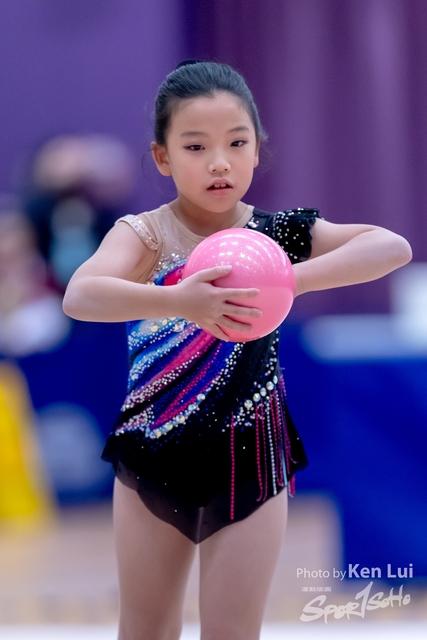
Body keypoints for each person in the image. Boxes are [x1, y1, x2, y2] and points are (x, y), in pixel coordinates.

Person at [63, 61, 412, 640]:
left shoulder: (277, 236)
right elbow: (80, 296)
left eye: (236, 143)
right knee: (145, 630)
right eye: (195, 146)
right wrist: (181, 301)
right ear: (163, 158)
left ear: (256, 151)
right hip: (154, 455)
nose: (219, 162)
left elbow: (391, 246)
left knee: (233, 632)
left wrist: (288, 279)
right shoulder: (146, 234)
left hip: (253, 457)